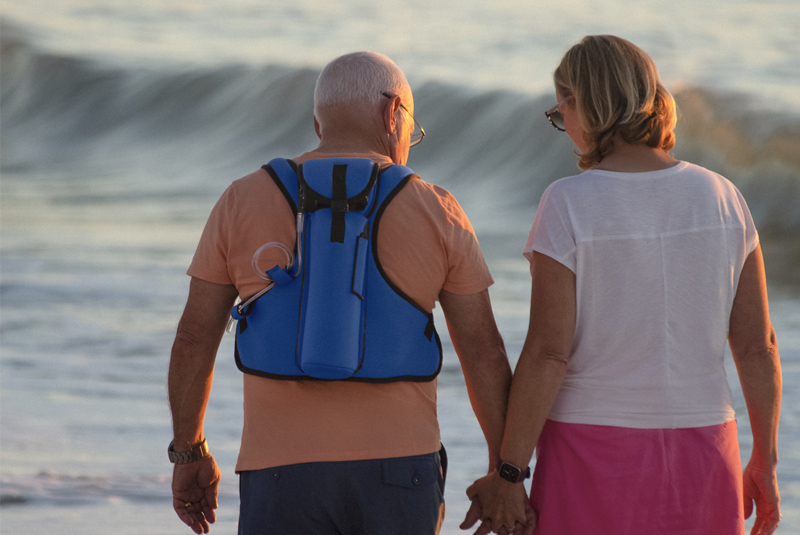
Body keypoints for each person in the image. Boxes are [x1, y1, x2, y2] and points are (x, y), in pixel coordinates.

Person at [167, 51, 514, 535]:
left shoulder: (240, 199)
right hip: (401, 470)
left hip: (278, 473)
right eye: (411, 128)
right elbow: (485, 352)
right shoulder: (438, 209)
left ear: (317, 121)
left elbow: (193, 338)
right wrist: (506, 472)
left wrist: (189, 452)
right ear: (394, 113)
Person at [461, 35, 782, 535]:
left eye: (559, 110)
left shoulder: (569, 202)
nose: (562, 123)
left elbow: (548, 353)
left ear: (581, 106)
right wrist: (764, 459)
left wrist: (509, 472)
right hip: (707, 444)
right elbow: (758, 348)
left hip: (591, 447)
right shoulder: (724, 198)